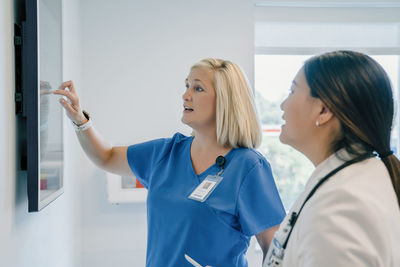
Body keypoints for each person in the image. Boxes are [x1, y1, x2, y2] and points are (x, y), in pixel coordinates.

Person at [54, 58, 286, 267]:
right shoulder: (166, 152)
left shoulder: (248, 167)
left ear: (225, 101)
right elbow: (107, 156)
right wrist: (79, 120)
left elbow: (275, 250)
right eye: (187, 86)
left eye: (198, 88)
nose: (186, 95)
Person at [264, 50, 400, 267]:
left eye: (292, 91)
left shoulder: (342, 205)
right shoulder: (350, 178)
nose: (283, 105)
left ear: (324, 110)